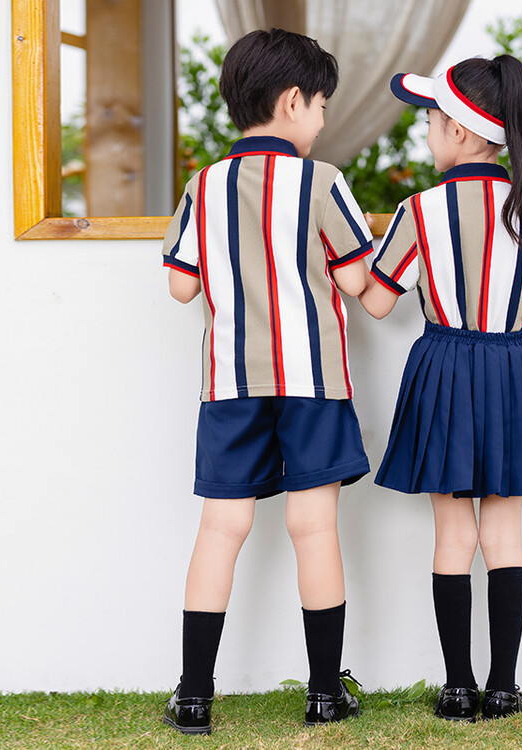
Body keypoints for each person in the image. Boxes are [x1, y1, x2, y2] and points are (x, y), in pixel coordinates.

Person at [160, 28, 373, 735]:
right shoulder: (324, 182)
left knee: (220, 528)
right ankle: (324, 694)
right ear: (293, 101)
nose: (322, 121)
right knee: (314, 527)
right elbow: (355, 279)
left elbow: (180, 287)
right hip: (313, 381)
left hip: (230, 382)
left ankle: (195, 696)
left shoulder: (204, 186)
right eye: (321, 107)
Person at [358, 56, 522, 722]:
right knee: (504, 536)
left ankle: (457, 688)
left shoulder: (418, 211)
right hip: (510, 370)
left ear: (459, 131)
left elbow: (376, 303)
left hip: (443, 369)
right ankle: (504, 688)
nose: (427, 133)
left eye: (430, 121)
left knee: (452, 535)